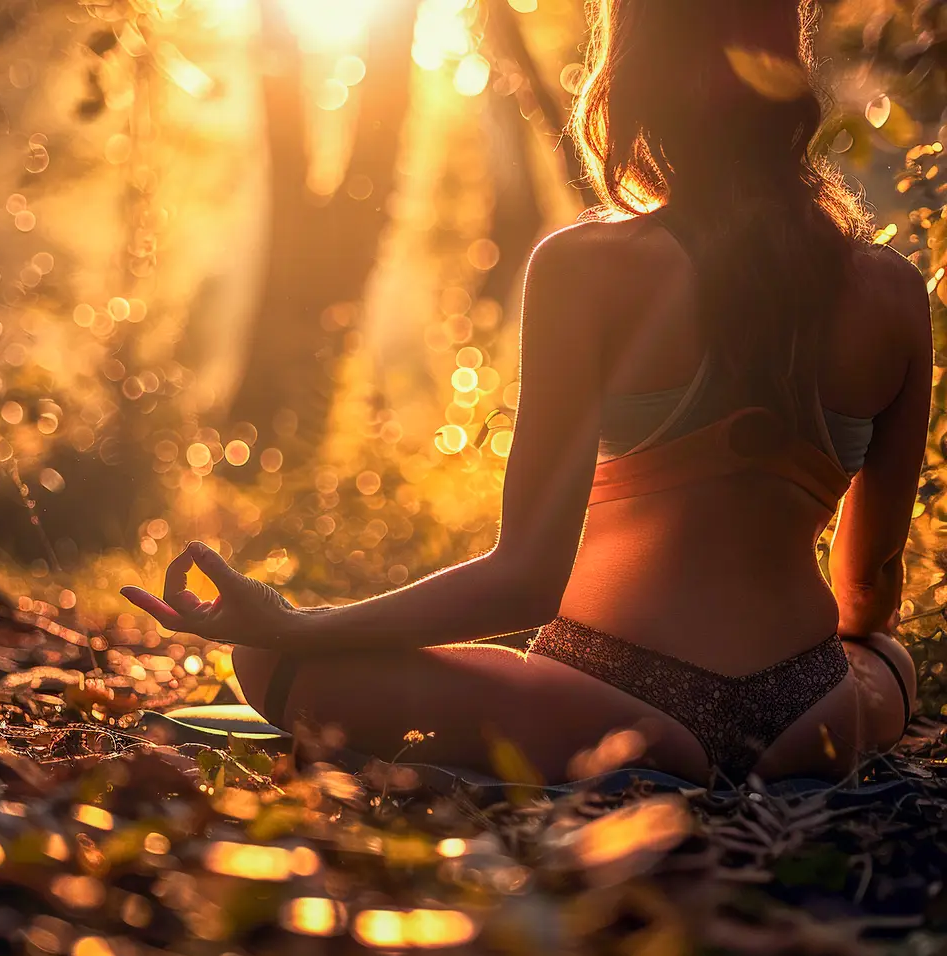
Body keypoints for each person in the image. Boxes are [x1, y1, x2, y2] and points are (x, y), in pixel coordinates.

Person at [122, 0, 927, 786]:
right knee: (885, 661)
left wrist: (298, 624)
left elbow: (525, 580)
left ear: (636, 72)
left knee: (272, 662)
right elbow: (866, 593)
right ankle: (756, 756)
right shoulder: (894, 292)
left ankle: (635, 759)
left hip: (610, 703)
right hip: (806, 715)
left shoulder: (588, 267)